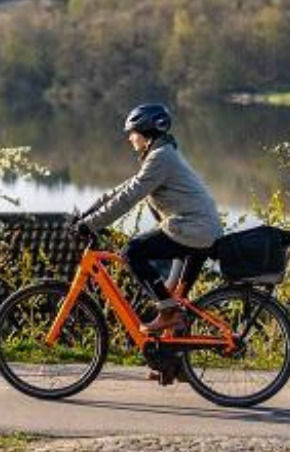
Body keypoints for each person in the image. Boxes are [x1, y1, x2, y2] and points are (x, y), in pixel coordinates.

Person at [74, 103, 223, 335]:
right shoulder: (161, 155)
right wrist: (88, 214)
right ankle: (169, 364)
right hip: (198, 231)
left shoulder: (160, 158)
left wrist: (91, 225)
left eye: (132, 133)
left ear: (145, 133)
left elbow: (128, 198)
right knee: (174, 300)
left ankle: (168, 313)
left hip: (192, 230)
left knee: (132, 252)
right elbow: (121, 190)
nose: (130, 139)